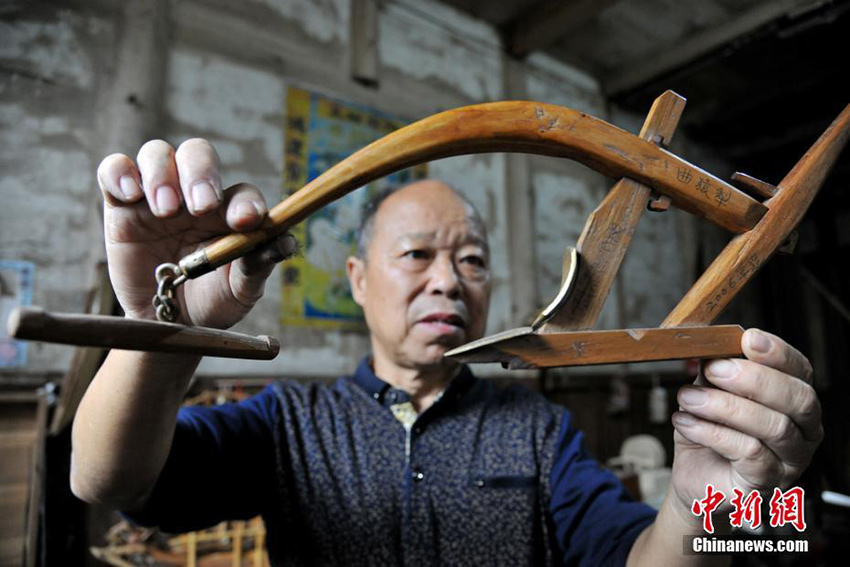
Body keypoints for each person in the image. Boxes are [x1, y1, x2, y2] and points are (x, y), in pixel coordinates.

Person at [72, 138, 823, 566]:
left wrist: (706, 508)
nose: (448, 281)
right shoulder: (291, 423)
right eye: (418, 254)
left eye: (472, 261)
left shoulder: (537, 430)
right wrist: (160, 327)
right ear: (358, 281)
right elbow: (108, 479)